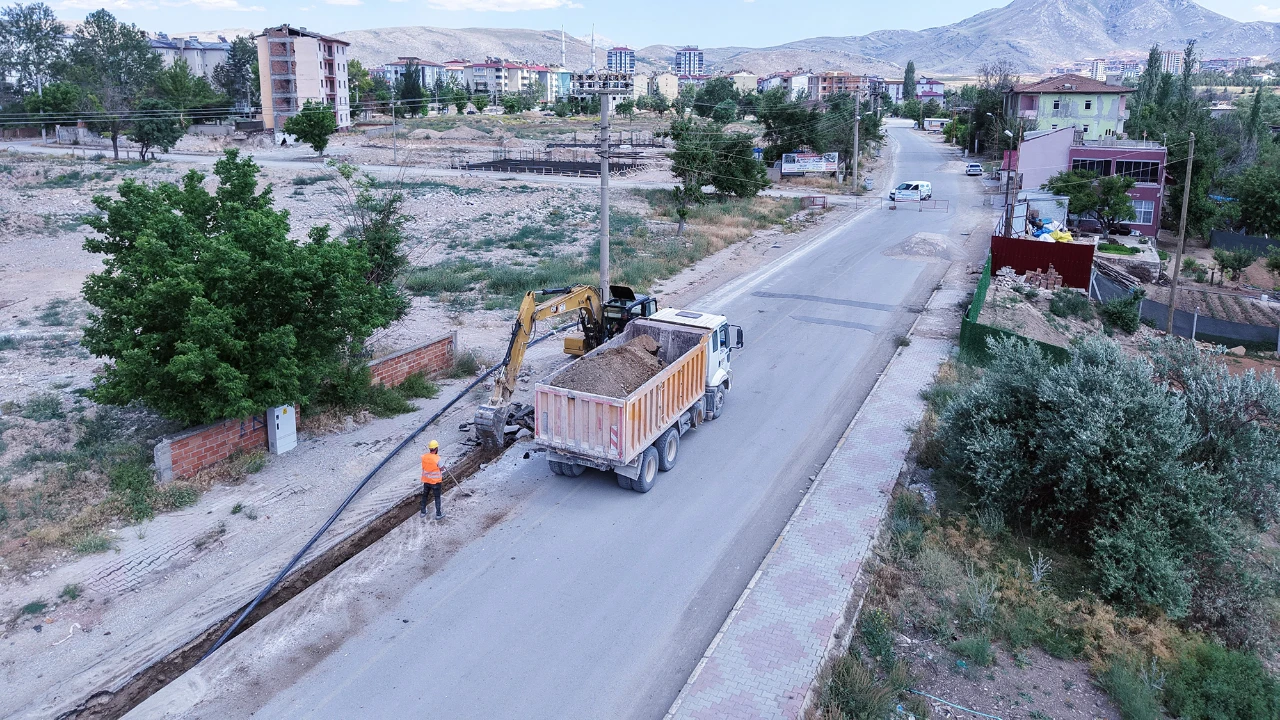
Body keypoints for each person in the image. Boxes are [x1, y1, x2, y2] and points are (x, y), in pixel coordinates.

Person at [420, 440, 445, 519]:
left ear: (430, 448)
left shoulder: (424, 457)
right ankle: (438, 514)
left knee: (425, 496)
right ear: (436, 448)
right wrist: (443, 466)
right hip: (435, 482)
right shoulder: (437, 458)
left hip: (426, 481)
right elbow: (441, 469)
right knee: (437, 497)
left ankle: (423, 512)